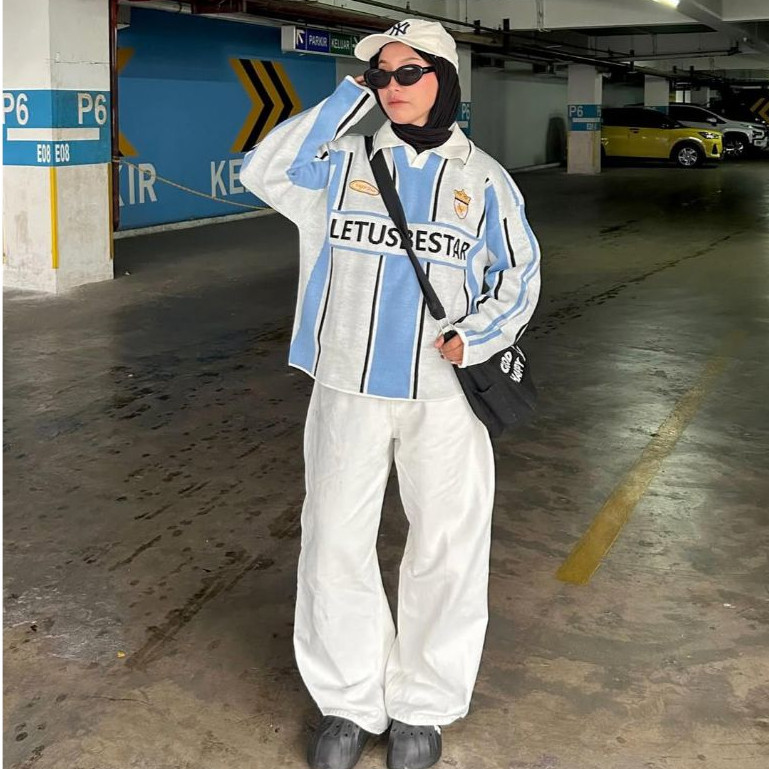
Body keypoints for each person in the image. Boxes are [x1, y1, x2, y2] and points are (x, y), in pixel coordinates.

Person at [240, 18, 541, 769]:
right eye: (381, 76)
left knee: (445, 543)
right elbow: (264, 170)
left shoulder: (483, 179)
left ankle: (423, 705)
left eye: (409, 73)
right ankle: (347, 700)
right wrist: (349, 98)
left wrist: (477, 335)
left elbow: (519, 273)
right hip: (347, 381)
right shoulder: (340, 163)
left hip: (443, 395)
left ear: (445, 80)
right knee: (333, 539)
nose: (392, 87)